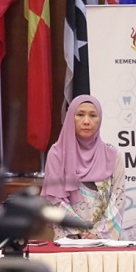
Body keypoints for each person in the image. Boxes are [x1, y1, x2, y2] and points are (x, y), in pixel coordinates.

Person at [41, 94, 126, 240]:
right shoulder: (57, 154)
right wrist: (83, 230)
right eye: (80, 115)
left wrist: (98, 232)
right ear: (70, 118)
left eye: (93, 115)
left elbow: (118, 198)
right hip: (70, 240)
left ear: (100, 120)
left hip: (103, 240)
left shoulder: (114, 155)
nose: (86, 121)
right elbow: (55, 199)